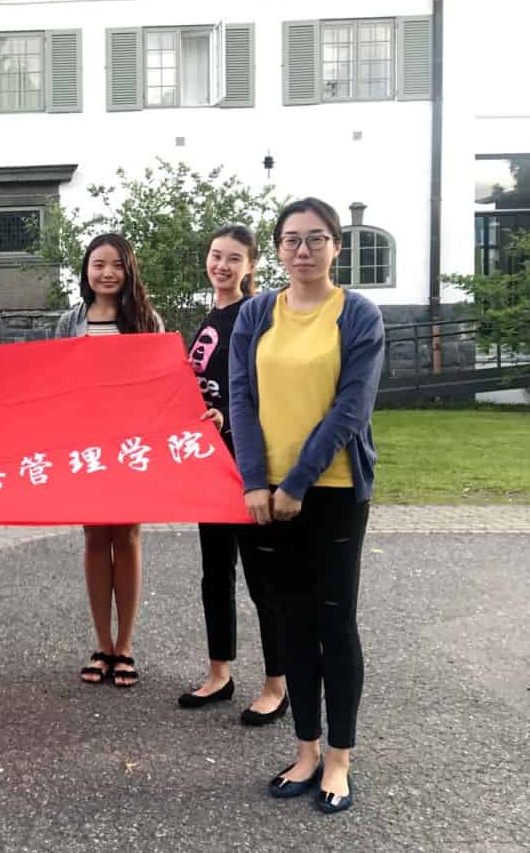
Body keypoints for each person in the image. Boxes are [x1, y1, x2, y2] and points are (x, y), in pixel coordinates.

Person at [229, 197, 384, 814]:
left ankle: (340, 759)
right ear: (277, 248)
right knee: (291, 621)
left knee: (334, 622)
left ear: (336, 247)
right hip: (266, 492)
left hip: (334, 490)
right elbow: (242, 397)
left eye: (316, 239)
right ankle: (306, 749)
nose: (302, 250)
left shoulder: (359, 315)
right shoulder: (257, 312)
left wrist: (296, 482)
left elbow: (352, 406)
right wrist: (254, 480)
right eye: (291, 240)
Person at [178, 226, 288, 725]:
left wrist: (231, 420)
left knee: (264, 580)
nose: (222, 265)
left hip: (247, 467)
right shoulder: (211, 317)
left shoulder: (257, 313)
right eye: (216, 256)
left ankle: (277, 684)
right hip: (209, 466)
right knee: (215, 574)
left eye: (234, 258)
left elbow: (264, 386)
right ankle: (219, 673)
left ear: (251, 266)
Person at [53, 233, 162, 689]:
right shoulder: (69, 322)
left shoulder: (147, 321)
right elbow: (54, 381)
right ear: (86, 270)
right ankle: (102, 644)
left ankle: (126, 646)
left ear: (128, 269)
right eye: (98, 264)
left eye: (116, 264)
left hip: (132, 447)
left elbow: (161, 385)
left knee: (129, 537)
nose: (107, 273)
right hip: (85, 448)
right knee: (96, 538)